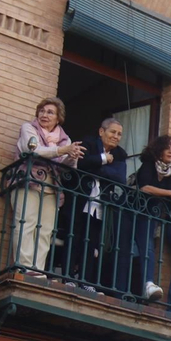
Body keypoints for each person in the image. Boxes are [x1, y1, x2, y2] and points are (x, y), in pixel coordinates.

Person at [9, 97, 83, 275]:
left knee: (45, 230)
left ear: (58, 118)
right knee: (26, 223)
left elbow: (68, 167)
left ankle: (38, 269)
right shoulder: (29, 128)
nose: (44, 115)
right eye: (42, 111)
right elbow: (32, 149)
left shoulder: (65, 139)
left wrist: (73, 155)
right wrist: (61, 151)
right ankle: (24, 267)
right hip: (28, 180)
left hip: (52, 185)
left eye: (50, 112)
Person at [68, 117, 130, 294]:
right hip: (80, 198)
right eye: (113, 132)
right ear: (101, 132)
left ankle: (86, 281)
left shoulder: (120, 154)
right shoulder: (88, 143)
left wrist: (98, 167)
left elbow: (120, 178)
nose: (116, 137)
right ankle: (67, 276)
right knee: (74, 236)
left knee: (92, 241)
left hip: (100, 204)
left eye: (119, 134)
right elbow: (80, 164)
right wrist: (103, 158)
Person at [132, 135, 171, 302]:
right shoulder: (149, 165)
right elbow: (145, 188)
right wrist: (170, 193)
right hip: (135, 210)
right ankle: (137, 286)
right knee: (133, 248)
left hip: (152, 213)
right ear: (159, 149)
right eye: (168, 147)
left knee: (147, 247)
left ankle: (147, 285)